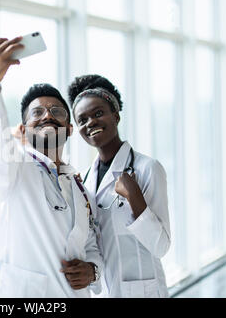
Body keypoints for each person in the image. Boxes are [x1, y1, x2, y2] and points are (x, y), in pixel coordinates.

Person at [0, 37, 103, 298]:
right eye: (37, 113)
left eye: (57, 111)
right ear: (23, 129)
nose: (47, 115)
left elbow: (89, 243)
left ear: (69, 129)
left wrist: (93, 270)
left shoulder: (79, 188)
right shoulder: (14, 170)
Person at [67, 74, 171, 297]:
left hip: (144, 291)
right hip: (105, 291)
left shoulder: (147, 169)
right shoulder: (86, 181)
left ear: (115, 116)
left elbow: (161, 246)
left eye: (98, 113)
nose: (90, 122)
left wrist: (135, 197)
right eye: (82, 120)